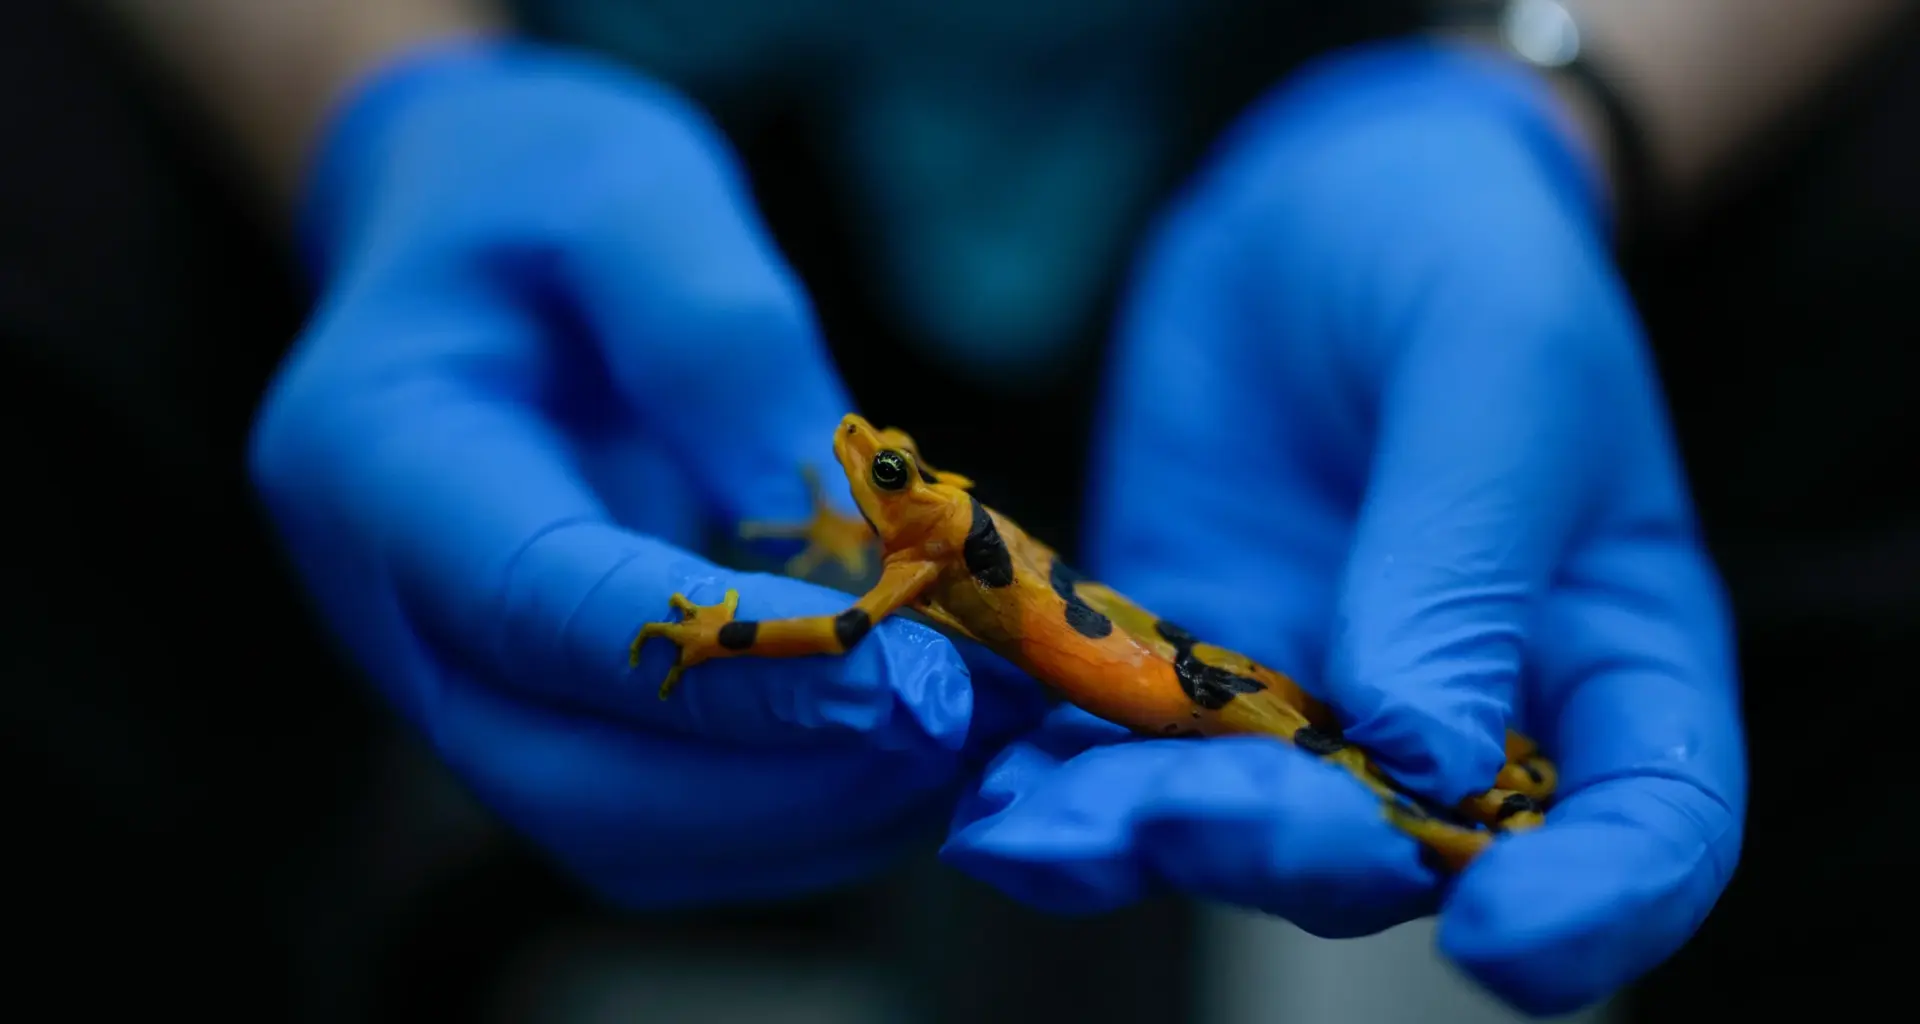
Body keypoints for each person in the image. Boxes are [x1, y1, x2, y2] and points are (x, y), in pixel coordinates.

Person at [83, 0, 1913, 1017]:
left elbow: (875, 605)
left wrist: (1566, 93)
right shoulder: (920, 565)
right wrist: (367, 98)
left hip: (1347, 70)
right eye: (881, 484)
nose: (883, 499)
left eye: (898, 489)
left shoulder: (921, 569)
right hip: (613, 76)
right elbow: (873, 600)